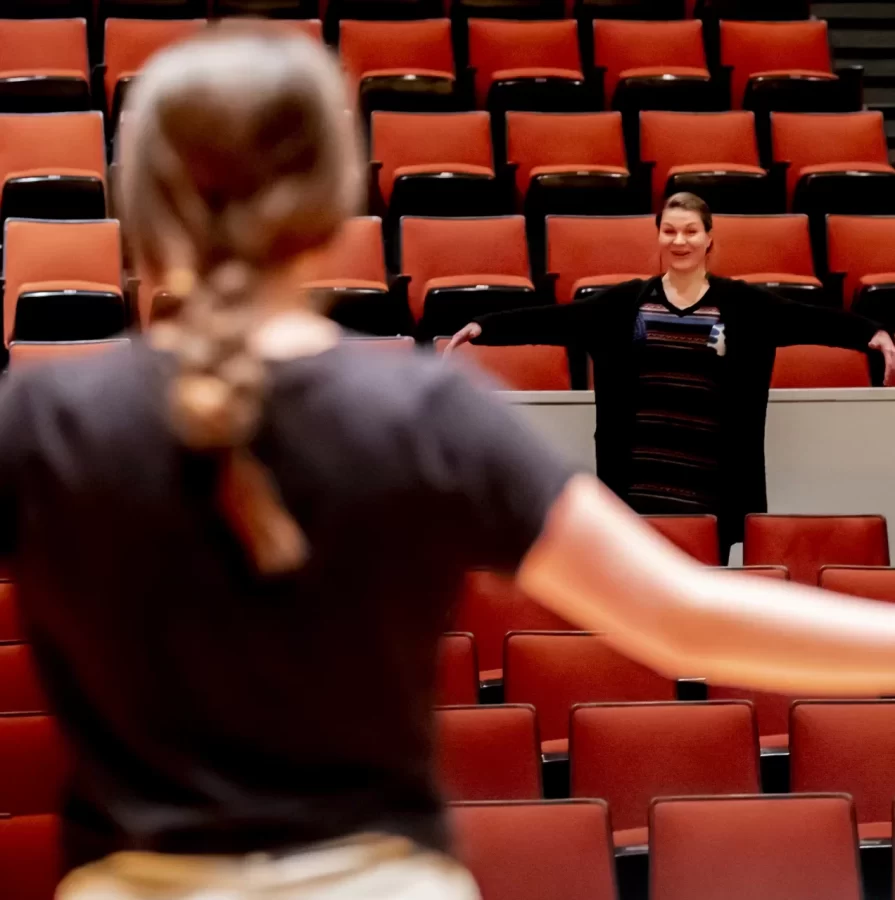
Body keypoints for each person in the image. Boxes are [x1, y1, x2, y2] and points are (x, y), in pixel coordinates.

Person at [2, 26, 895, 900]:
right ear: (331, 202)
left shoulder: (40, 420)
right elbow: (682, 618)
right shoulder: (427, 415)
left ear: (143, 198)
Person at [445, 192, 895, 557]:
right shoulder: (625, 304)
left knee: (704, 610)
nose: (680, 241)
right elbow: (555, 319)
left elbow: (810, 319)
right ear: (658, 237)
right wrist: (484, 327)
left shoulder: (743, 304)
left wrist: (871, 333)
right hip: (637, 488)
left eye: (691, 231)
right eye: (670, 231)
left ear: (709, 239)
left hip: (713, 492)